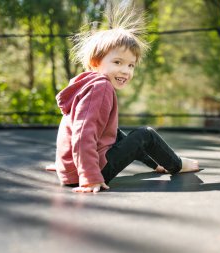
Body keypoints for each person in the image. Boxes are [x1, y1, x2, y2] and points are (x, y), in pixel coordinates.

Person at [46, 3, 200, 193]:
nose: (125, 71)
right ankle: (176, 164)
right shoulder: (101, 87)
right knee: (146, 134)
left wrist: (66, 165)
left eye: (131, 65)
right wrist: (88, 176)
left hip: (74, 171)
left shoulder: (86, 85)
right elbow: (83, 133)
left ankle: (161, 163)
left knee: (116, 132)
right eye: (117, 62)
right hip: (90, 173)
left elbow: (83, 131)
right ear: (95, 63)